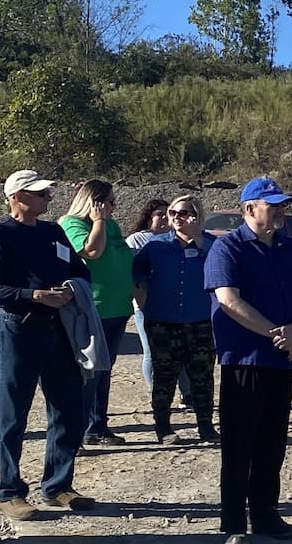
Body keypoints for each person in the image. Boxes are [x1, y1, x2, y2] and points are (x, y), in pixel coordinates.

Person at [204, 176, 292, 544]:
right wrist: (274, 332)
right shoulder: (228, 249)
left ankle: (265, 510)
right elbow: (228, 301)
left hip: (283, 359)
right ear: (249, 209)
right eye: (274, 205)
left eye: (283, 204)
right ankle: (234, 520)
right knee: (240, 442)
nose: (281, 210)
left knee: (273, 440)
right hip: (245, 359)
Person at [0, 169, 95, 519]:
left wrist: (69, 288)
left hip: (59, 330)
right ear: (17, 197)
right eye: (40, 193)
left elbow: (81, 270)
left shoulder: (53, 231)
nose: (48, 197)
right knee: (14, 413)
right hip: (19, 329)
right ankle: (9, 491)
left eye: (47, 192)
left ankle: (58, 485)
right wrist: (33, 295)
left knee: (67, 408)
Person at [132, 197, 218, 445]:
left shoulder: (212, 245)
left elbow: (223, 270)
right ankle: (163, 427)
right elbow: (136, 273)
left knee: (202, 376)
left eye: (183, 213)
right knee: (164, 376)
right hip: (162, 321)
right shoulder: (155, 245)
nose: (177, 217)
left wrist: (198, 239)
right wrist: (143, 300)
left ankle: (206, 426)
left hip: (200, 320)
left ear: (196, 215)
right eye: (173, 212)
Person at [59, 179, 135, 447]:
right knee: (88, 373)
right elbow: (92, 251)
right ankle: (74, 433)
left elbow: (124, 256)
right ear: (95, 202)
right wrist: (99, 221)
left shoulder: (112, 224)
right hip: (94, 308)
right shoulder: (72, 224)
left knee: (104, 370)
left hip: (117, 309)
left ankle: (97, 426)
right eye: (110, 202)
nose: (114, 208)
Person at [127, 196, 170, 391]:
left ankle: (185, 394)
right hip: (145, 305)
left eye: (167, 215)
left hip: (170, 304)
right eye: (159, 214)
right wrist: (140, 295)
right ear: (148, 217)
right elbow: (129, 271)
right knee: (151, 351)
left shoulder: (174, 238)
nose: (164, 219)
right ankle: (155, 391)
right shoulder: (137, 239)